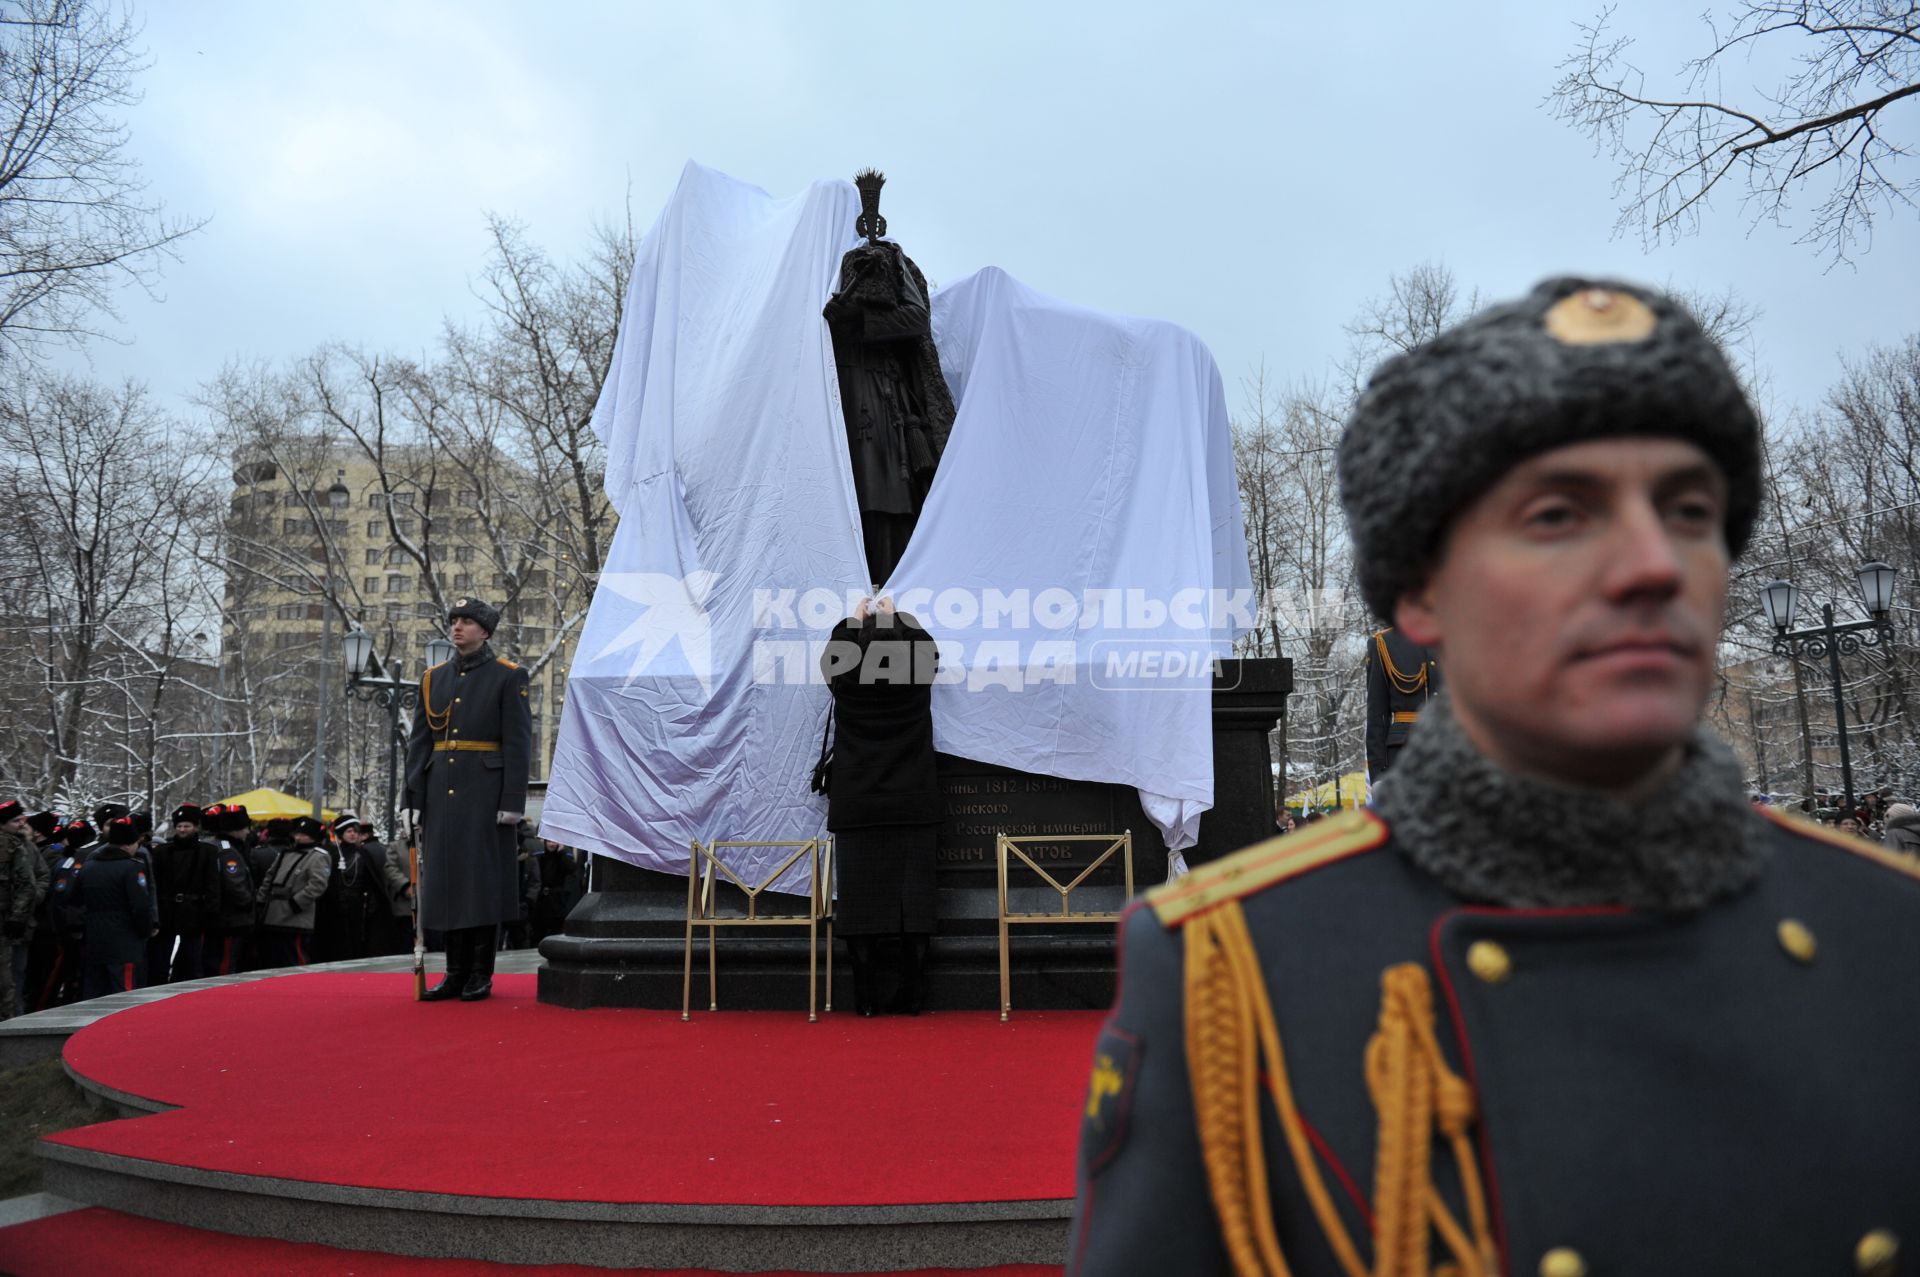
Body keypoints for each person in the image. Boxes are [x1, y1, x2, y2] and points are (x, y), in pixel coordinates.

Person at [1068, 278, 1920, 1275]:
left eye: (1690, 509)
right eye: (1561, 513)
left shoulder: (1891, 929)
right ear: (1419, 593)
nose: (1654, 562)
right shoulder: (1231, 972)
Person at [404, 596, 533, 1002]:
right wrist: (413, 797)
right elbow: (420, 743)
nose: (457, 627)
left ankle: (480, 973)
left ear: (486, 631)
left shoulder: (508, 676)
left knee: (481, 885)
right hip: (442, 791)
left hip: (485, 792)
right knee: (446, 884)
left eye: (467, 621)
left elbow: (517, 742)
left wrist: (513, 800)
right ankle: (455, 972)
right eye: (454, 620)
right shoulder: (433, 679)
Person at [819, 595, 942, 1016]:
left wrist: (856, 618)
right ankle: (913, 996)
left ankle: (866, 999)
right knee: (916, 906)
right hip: (914, 801)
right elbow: (929, 648)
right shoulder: (915, 673)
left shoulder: (847, 678)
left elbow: (832, 654)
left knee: (860, 906)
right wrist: (895, 617)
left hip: (858, 802)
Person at [71, 816, 154, 999]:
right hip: (125, 942)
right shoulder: (132, 868)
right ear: (127, 845)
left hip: (95, 940)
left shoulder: (88, 866)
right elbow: (140, 906)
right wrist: (145, 931)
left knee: (94, 994)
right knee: (124, 995)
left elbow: (75, 900)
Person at [150, 804, 222, 982]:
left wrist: (211, 911)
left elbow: (213, 884)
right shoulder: (161, 852)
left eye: (187, 826)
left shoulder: (208, 852)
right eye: (180, 826)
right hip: (167, 911)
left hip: (194, 912)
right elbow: (154, 883)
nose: (182, 830)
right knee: (160, 961)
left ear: (195, 827)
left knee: (192, 961)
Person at [1363, 626, 1442, 779]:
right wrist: (1378, 774)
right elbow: (1377, 716)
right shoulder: (1384, 643)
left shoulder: (1461, 636)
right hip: (1405, 758)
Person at [254, 816, 331, 968]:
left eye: (304, 834)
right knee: (275, 957)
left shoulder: (318, 856)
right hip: (274, 912)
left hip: (296, 915)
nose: (299, 837)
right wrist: (261, 900)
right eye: (298, 833)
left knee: (295, 957)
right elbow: (270, 877)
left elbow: (317, 884)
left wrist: (296, 903)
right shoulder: (285, 853)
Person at [0, 801, 40, 1019]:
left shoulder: (15, 846)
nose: (20, 825)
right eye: (15, 820)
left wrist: (17, 917)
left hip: (5, 921)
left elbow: (28, 884)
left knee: (6, 981)